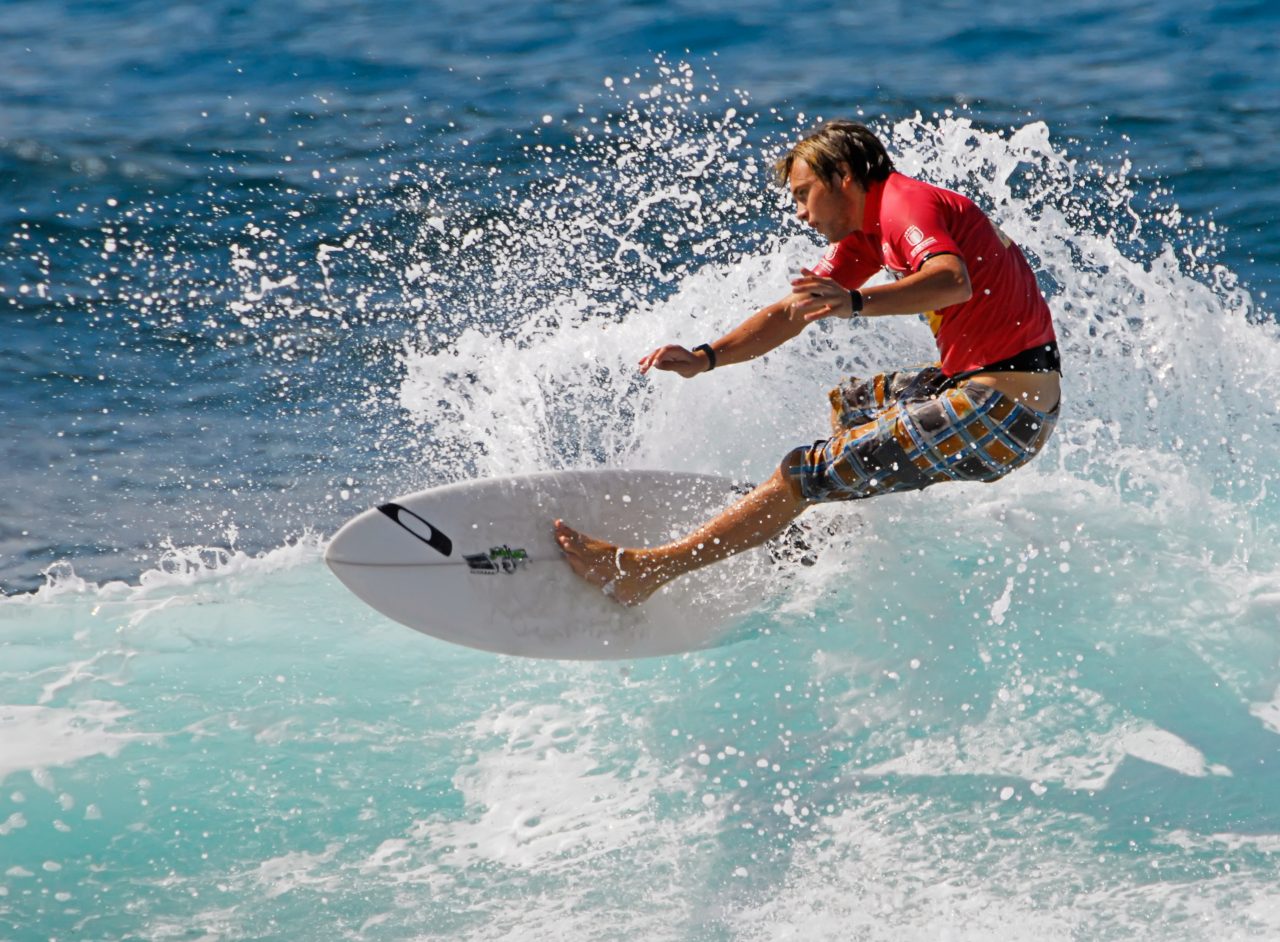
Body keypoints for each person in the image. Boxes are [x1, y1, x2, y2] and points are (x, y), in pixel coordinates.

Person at [555, 120, 1061, 605]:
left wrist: (856, 302)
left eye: (803, 193)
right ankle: (832, 528)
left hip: (1002, 412)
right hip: (989, 397)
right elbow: (791, 311)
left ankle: (645, 572)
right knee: (855, 402)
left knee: (801, 469)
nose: (799, 212)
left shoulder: (906, 204)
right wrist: (704, 358)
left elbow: (953, 280)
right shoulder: (869, 232)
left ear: (843, 177)